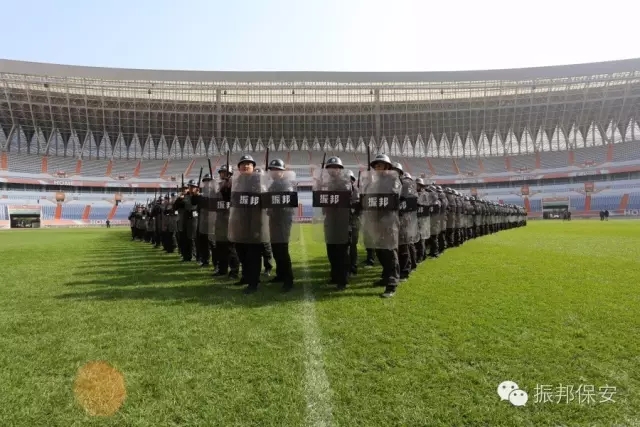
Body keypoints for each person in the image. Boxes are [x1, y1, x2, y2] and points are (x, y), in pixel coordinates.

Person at [264, 158, 296, 292]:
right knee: (276, 249)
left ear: (282, 172)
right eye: (272, 170)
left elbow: (286, 203)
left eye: (277, 170)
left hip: (283, 220)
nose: (274, 172)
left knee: (282, 249)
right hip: (274, 220)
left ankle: (288, 279)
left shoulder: (286, 184)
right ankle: (280, 275)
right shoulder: (272, 185)